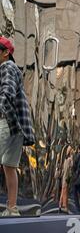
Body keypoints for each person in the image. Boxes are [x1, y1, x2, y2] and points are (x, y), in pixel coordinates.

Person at [0, 36, 35, 217]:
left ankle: (12, 208)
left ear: (5, 53)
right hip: (17, 127)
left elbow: (7, 92)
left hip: (7, 122)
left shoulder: (6, 67)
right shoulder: (11, 68)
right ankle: (12, 208)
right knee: (9, 166)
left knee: (9, 166)